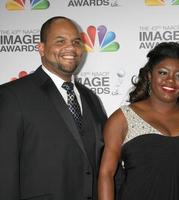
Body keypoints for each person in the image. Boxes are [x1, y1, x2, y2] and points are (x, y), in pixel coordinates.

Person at [0, 16, 107, 200]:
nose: (71, 48)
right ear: (41, 48)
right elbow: (4, 172)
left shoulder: (91, 99)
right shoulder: (12, 96)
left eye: (76, 42)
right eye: (60, 41)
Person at [98, 42, 179, 200]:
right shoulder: (122, 119)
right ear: (150, 75)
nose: (171, 80)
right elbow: (106, 174)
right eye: (163, 73)